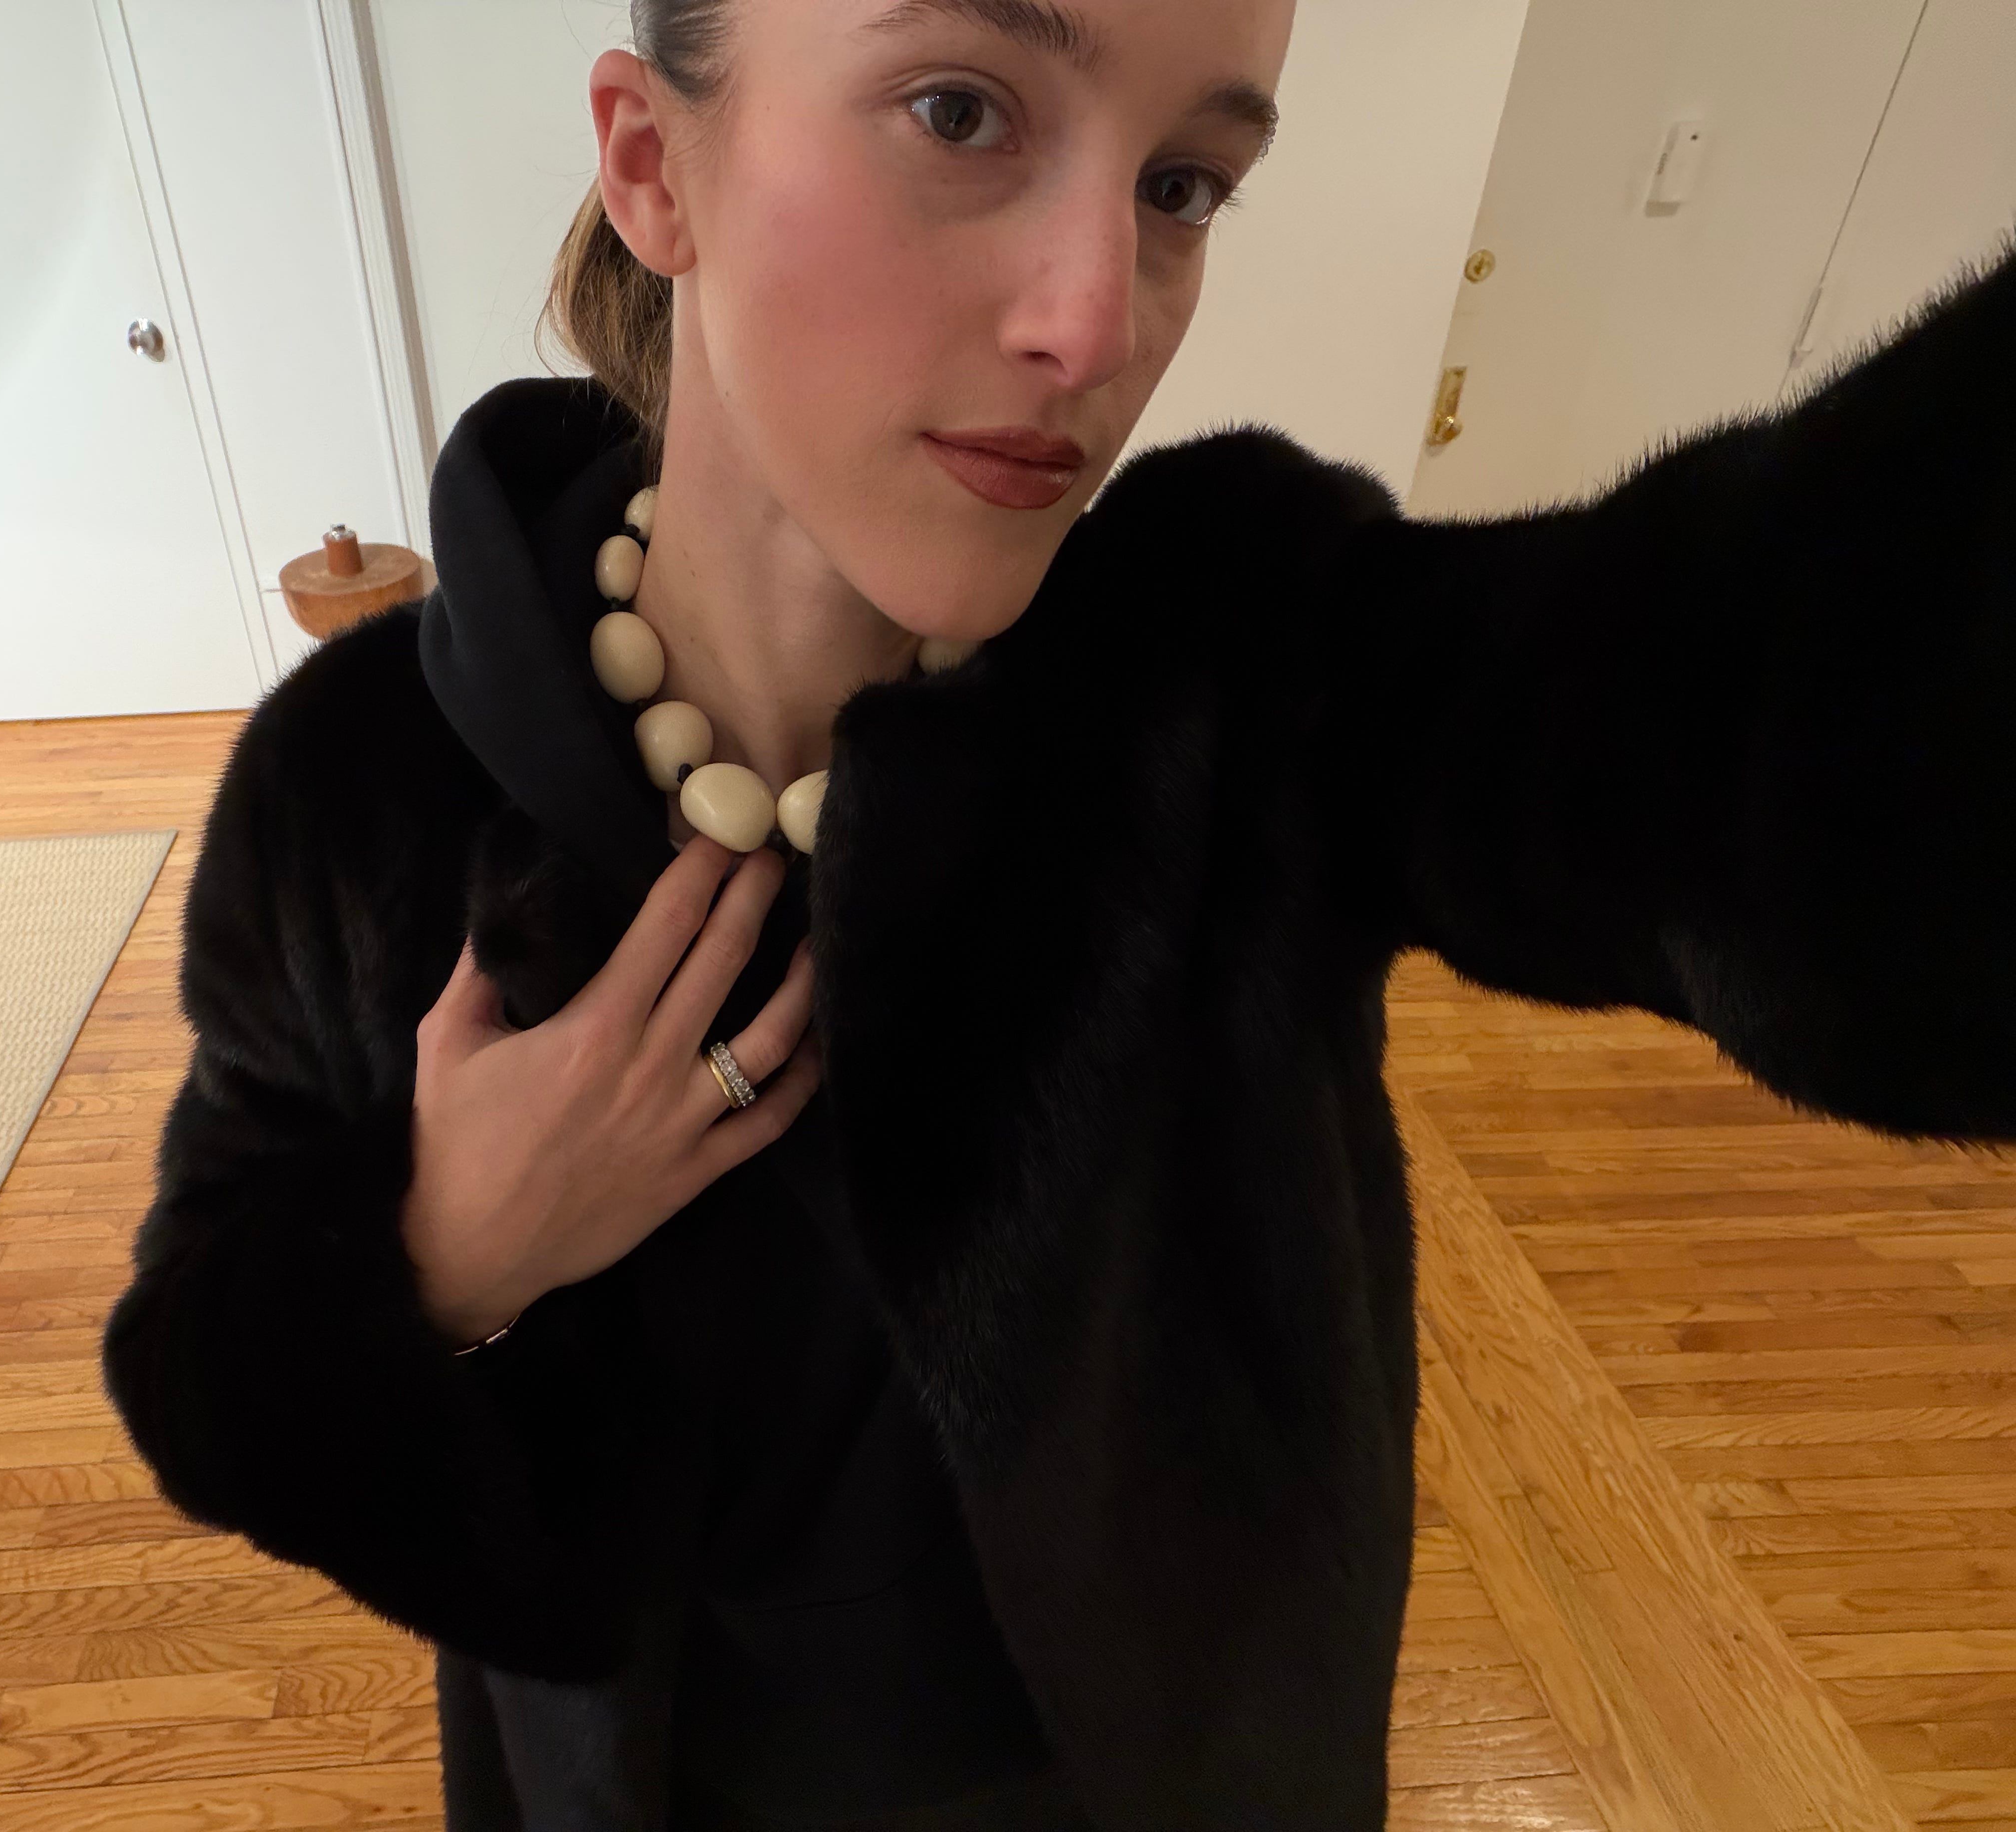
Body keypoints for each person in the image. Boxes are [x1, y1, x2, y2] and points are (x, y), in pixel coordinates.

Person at [99, 0, 2016, 1824]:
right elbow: (206, 1363)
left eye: (1184, 186)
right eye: (960, 111)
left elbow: (1784, 754)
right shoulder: (360, 791)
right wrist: (439, 1258)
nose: (1099, 323)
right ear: (655, 164)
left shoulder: (1240, 678)